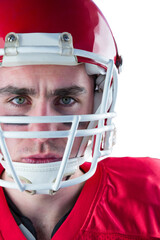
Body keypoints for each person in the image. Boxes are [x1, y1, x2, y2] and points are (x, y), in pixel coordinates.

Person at [0, 0, 159, 239]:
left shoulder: (153, 198)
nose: (41, 132)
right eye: (19, 100)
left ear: (98, 103)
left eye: (66, 100)